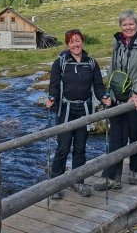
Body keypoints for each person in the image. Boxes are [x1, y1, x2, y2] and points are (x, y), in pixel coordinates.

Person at [93, 10, 137, 191]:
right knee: (116, 137)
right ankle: (112, 177)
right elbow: (114, 67)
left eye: (131, 24)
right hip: (120, 96)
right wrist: (110, 93)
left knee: (136, 135)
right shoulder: (118, 41)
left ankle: (136, 171)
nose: (128, 27)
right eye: (124, 24)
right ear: (120, 26)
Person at [46, 29, 106, 198]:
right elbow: (55, 86)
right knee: (63, 147)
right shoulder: (60, 63)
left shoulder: (92, 63)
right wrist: (51, 98)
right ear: (67, 45)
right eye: (71, 41)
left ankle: (78, 181)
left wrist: (104, 98)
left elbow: (98, 86)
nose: (75, 44)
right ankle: (55, 185)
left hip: (84, 109)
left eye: (77, 40)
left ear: (83, 42)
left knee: (80, 148)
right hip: (65, 110)